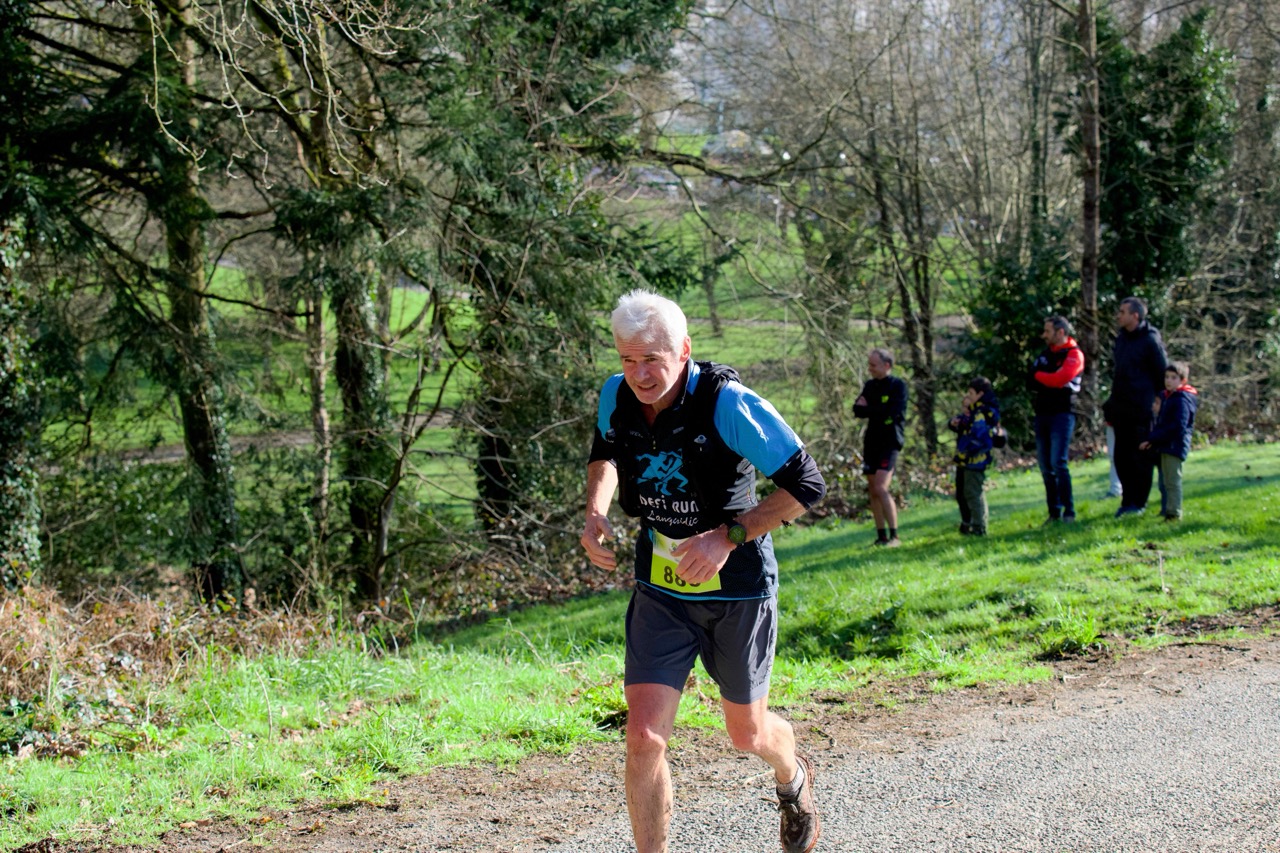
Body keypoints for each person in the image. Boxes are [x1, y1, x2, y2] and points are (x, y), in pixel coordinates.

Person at [580, 290, 827, 853]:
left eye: (652, 359)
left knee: (748, 734)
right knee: (643, 737)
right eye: (627, 359)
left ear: (685, 350)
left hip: (737, 588)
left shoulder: (729, 404)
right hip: (661, 588)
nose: (639, 374)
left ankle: (792, 777)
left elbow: (807, 485)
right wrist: (595, 510)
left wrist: (728, 536)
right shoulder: (616, 394)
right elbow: (606, 452)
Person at [1104, 296, 1168, 517]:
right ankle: (1127, 501)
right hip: (1121, 408)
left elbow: (1162, 373)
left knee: (1140, 458)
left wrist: (1158, 402)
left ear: (1135, 315)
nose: (1118, 316)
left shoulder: (1150, 340)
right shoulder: (1121, 339)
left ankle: (1138, 503)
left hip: (1142, 409)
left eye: (1123, 312)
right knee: (1121, 457)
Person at [1028, 316, 1084, 523]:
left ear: (1060, 332)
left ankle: (1069, 511)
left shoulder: (1074, 354)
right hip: (1042, 414)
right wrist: (1047, 377)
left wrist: (1042, 376)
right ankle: (1054, 512)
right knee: (1045, 466)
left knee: (1058, 463)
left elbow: (1061, 378)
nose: (1044, 335)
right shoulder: (1045, 355)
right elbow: (1030, 380)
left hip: (1062, 414)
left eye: (1048, 331)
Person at [852, 348, 908, 546]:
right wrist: (875, 410)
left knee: (880, 487)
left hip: (890, 442)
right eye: (869, 364)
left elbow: (893, 412)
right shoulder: (870, 385)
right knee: (872, 489)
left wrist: (870, 409)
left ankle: (895, 536)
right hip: (871, 442)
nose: (870, 368)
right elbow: (857, 410)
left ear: (887, 365)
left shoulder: (898, 386)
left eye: (873, 365)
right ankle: (881, 536)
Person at [1139, 362, 1198, 520]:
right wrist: (1153, 439)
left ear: (1183, 380)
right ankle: (1168, 511)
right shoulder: (1168, 397)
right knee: (1166, 481)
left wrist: (1154, 438)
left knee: (1172, 481)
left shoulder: (1181, 400)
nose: (1169, 381)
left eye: (1173, 378)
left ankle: (1174, 513)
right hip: (1165, 445)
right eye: (1167, 377)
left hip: (1174, 445)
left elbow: (1178, 426)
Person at [947, 377, 1000, 536]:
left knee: (973, 493)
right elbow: (965, 425)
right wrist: (955, 423)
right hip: (967, 459)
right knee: (965, 492)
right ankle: (970, 524)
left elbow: (979, 438)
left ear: (980, 394)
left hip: (976, 460)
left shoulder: (982, 413)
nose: (968, 396)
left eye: (971, 393)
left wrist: (967, 451)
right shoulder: (974, 410)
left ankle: (979, 527)